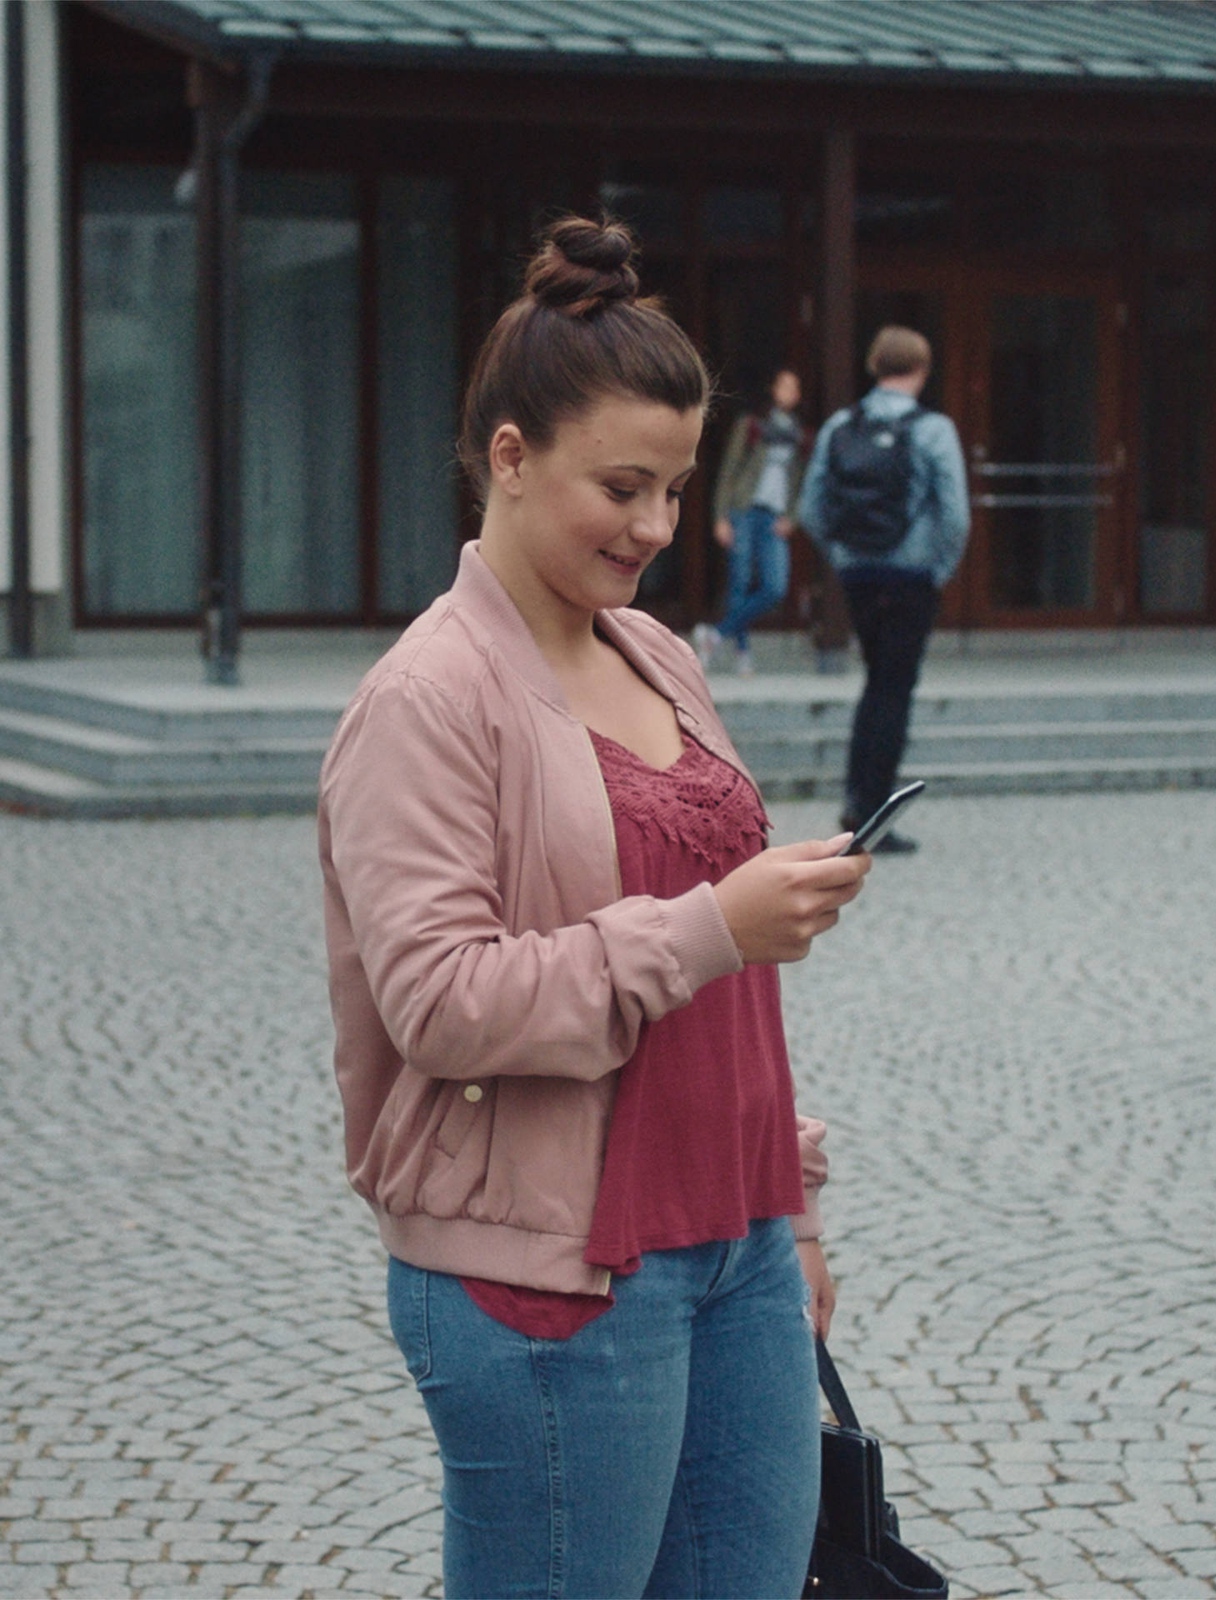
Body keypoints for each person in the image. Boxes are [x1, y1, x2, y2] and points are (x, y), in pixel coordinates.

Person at [318, 216, 874, 1600]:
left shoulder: (662, 654)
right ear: (508, 458)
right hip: (553, 1282)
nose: (656, 527)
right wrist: (712, 926)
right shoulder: (427, 700)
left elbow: (734, 987)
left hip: (736, 1249)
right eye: (622, 486)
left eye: (679, 490)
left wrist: (792, 1213)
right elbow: (440, 1005)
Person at [799, 325, 970, 854]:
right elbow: (955, 514)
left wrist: (845, 559)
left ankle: (857, 800)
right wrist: (938, 568)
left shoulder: (840, 426)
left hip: (860, 577)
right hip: (911, 577)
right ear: (921, 369)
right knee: (894, 690)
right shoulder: (934, 429)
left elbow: (809, 508)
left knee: (875, 683)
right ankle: (873, 815)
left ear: (875, 366)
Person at [692, 368, 808, 677]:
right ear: (773, 390)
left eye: (794, 388)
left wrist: (792, 517)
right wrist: (720, 517)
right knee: (739, 581)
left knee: (775, 586)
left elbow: (799, 481)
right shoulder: (752, 425)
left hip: (774, 515)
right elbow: (729, 472)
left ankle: (714, 636)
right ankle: (742, 652)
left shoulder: (796, 433)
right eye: (784, 385)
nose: (788, 393)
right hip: (743, 509)